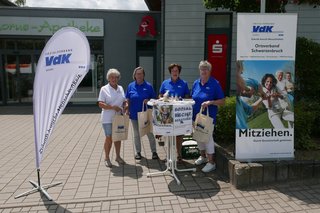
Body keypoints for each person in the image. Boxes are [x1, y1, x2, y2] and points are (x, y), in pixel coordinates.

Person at [191, 60, 225, 172]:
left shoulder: (215, 84)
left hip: (209, 118)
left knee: (208, 139)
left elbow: (222, 101)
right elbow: (193, 98)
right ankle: (203, 157)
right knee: (199, 137)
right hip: (197, 116)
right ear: (199, 70)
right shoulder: (196, 83)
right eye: (202, 68)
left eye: (206, 68)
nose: (203, 70)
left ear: (209, 71)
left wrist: (210, 102)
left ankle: (211, 163)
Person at [159, 63, 190, 162]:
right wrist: (163, 98)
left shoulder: (184, 83)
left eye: (176, 71)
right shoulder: (165, 83)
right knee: (168, 134)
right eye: (173, 71)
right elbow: (160, 96)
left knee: (179, 134)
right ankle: (168, 155)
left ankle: (179, 155)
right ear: (170, 72)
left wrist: (181, 99)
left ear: (179, 72)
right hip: (167, 112)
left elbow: (188, 97)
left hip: (179, 113)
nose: (175, 73)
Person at [126, 66, 159, 160]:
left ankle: (154, 152)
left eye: (141, 73)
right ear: (134, 75)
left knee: (149, 132)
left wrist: (148, 100)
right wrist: (127, 109)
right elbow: (128, 98)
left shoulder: (148, 86)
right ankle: (138, 152)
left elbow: (154, 99)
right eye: (137, 74)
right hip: (134, 114)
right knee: (136, 134)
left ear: (144, 75)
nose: (139, 75)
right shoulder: (130, 86)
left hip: (145, 114)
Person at [98, 68, 127, 168]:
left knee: (118, 137)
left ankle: (118, 156)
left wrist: (126, 105)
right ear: (108, 79)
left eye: (116, 77)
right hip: (107, 118)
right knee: (109, 138)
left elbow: (124, 100)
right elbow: (100, 104)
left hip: (118, 117)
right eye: (111, 77)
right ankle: (106, 158)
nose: (114, 79)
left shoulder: (121, 88)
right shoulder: (104, 89)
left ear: (118, 78)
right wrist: (112, 107)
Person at [235, 61, 264, 129]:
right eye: (240, 73)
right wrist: (246, 88)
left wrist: (262, 98)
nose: (241, 77)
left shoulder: (238, 100)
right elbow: (241, 81)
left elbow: (249, 110)